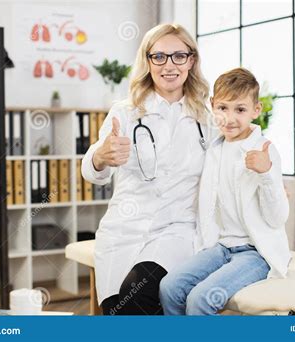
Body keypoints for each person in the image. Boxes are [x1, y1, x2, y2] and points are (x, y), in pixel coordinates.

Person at [81, 23, 211, 315]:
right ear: (148, 61)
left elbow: (227, 171)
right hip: (122, 231)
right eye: (159, 56)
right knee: (117, 312)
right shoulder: (125, 111)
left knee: (137, 293)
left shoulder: (208, 118)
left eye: (179, 56)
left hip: (176, 232)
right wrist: (101, 156)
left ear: (191, 60)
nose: (169, 65)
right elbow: (92, 171)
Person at [159, 68, 291, 315]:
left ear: (256, 110)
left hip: (255, 253)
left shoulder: (264, 151)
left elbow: (277, 218)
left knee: (200, 299)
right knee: (169, 287)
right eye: (222, 108)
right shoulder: (214, 149)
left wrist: (266, 174)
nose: (229, 119)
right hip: (219, 247)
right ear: (212, 106)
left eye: (240, 110)